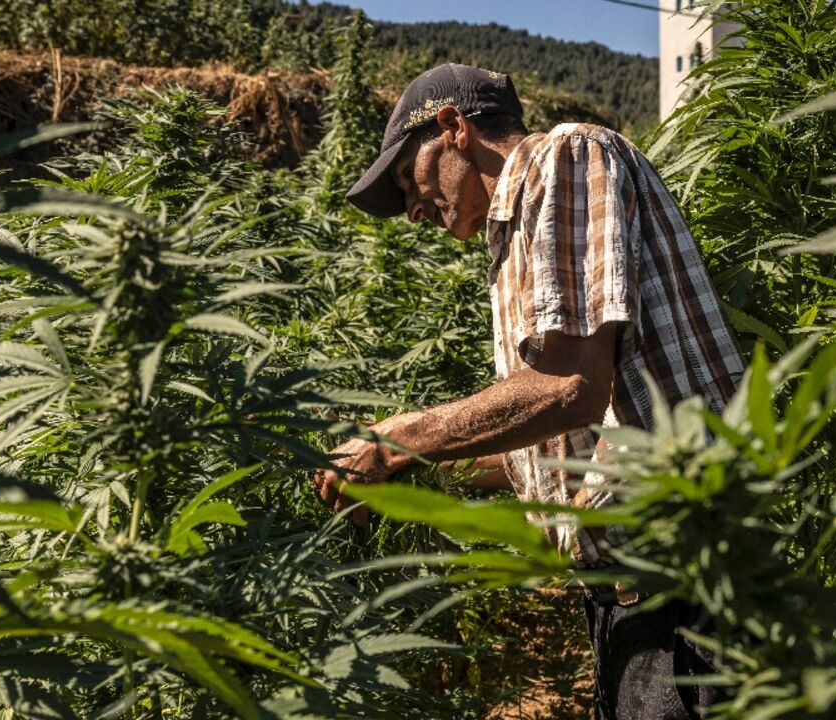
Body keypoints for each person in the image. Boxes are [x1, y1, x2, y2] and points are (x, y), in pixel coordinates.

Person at [313, 63, 745, 720]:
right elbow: (551, 443)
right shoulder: (513, 232)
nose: (414, 210)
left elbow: (570, 387)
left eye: (410, 179)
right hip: (629, 600)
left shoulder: (566, 156)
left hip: (691, 588)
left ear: (453, 127)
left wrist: (396, 440)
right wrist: (413, 475)